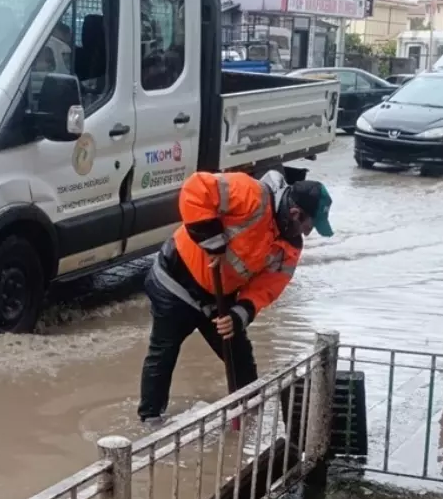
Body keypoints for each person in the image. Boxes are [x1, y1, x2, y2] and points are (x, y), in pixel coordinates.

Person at [138, 168, 333, 423]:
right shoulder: (250, 193)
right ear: (295, 214)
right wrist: (213, 241)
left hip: (218, 296)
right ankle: (150, 420)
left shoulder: (290, 247)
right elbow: (195, 189)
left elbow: (267, 287)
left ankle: (248, 414)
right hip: (175, 281)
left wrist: (238, 314)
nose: (308, 234)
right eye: (309, 227)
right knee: (164, 350)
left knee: (239, 355)